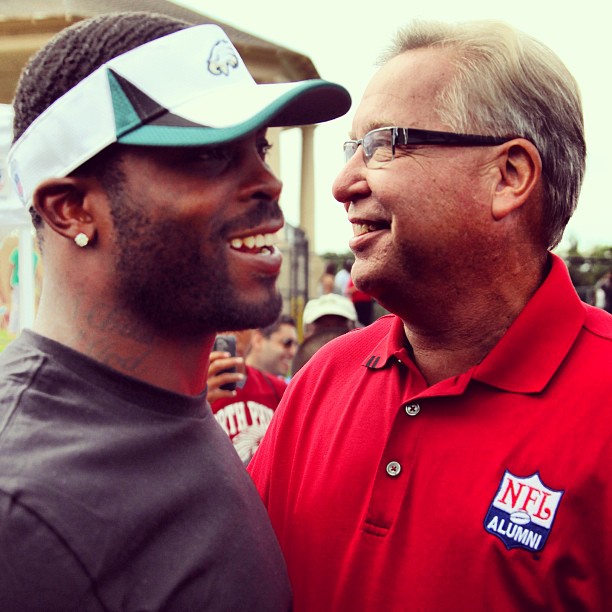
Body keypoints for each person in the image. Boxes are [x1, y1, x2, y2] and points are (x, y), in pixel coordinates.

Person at [249, 19, 612, 611]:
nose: (343, 183)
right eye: (350, 149)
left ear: (508, 176)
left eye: (384, 145)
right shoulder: (323, 381)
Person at [0, 11, 350, 609]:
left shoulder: (171, 407)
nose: (269, 181)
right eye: (210, 154)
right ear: (71, 209)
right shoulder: (23, 505)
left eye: (258, 147)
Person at [208, 329, 288, 464]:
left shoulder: (277, 389)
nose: (231, 330)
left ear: (254, 331)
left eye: (241, 321)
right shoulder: (190, 391)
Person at [246, 314, 298, 380]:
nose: (293, 352)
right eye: (287, 343)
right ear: (258, 341)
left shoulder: (284, 387)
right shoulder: (235, 381)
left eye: (296, 344)